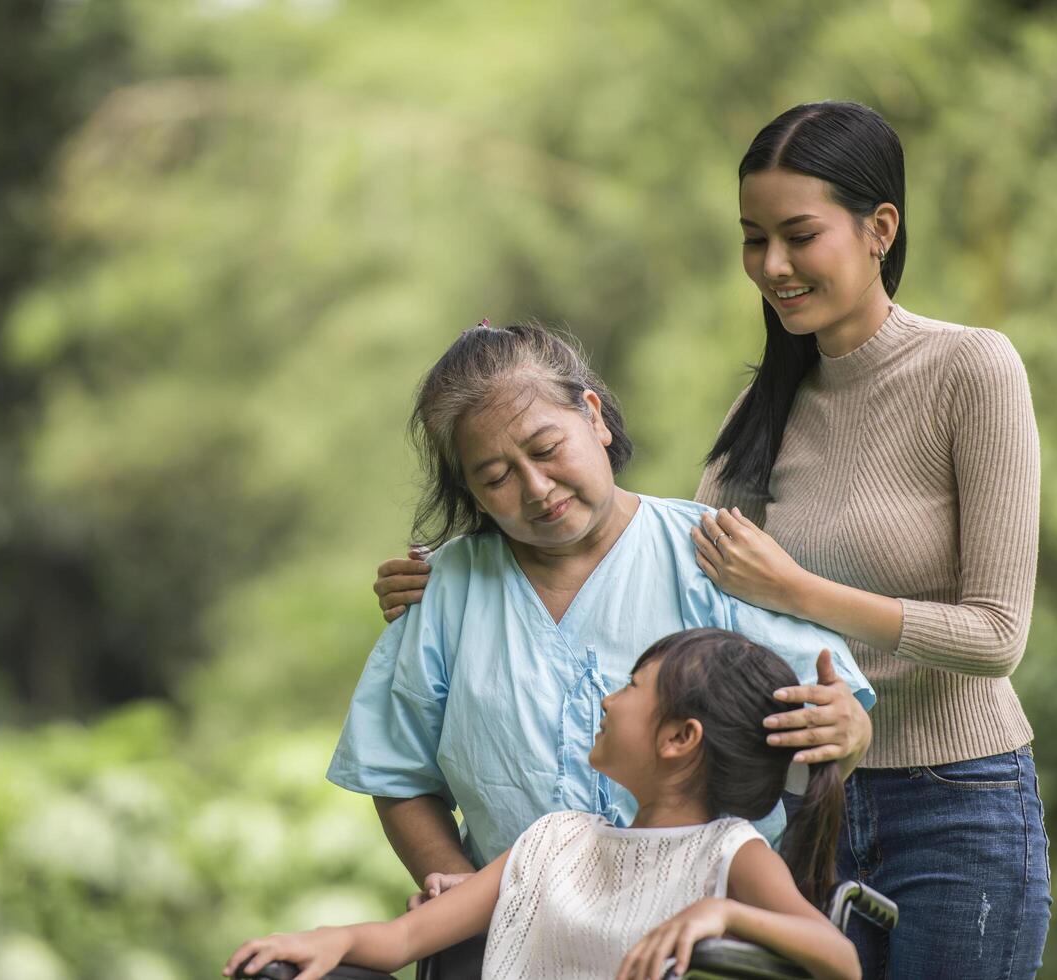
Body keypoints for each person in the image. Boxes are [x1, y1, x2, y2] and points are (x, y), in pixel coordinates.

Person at [379, 101, 1051, 978]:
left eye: (798, 235)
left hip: (954, 803)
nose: (772, 266)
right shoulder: (757, 413)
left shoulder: (971, 370)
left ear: (879, 227)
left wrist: (797, 590)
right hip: (793, 820)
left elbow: (997, 637)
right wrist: (461, 577)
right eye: (752, 238)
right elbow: (659, 569)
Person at [331, 323, 875, 931]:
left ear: (593, 416)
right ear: (470, 490)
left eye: (544, 449)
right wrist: (460, 895)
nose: (536, 489)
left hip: (702, 940)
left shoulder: (713, 556)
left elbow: (825, 721)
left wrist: (845, 727)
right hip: (518, 936)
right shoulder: (444, 591)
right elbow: (398, 770)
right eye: (495, 477)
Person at [227, 629, 861, 980]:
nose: (609, 701)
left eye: (632, 687)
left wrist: (723, 913)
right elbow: (404, 939)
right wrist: (329, 940)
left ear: (678, 739)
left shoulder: (729, 854)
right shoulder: (554, 839)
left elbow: (840, 960)